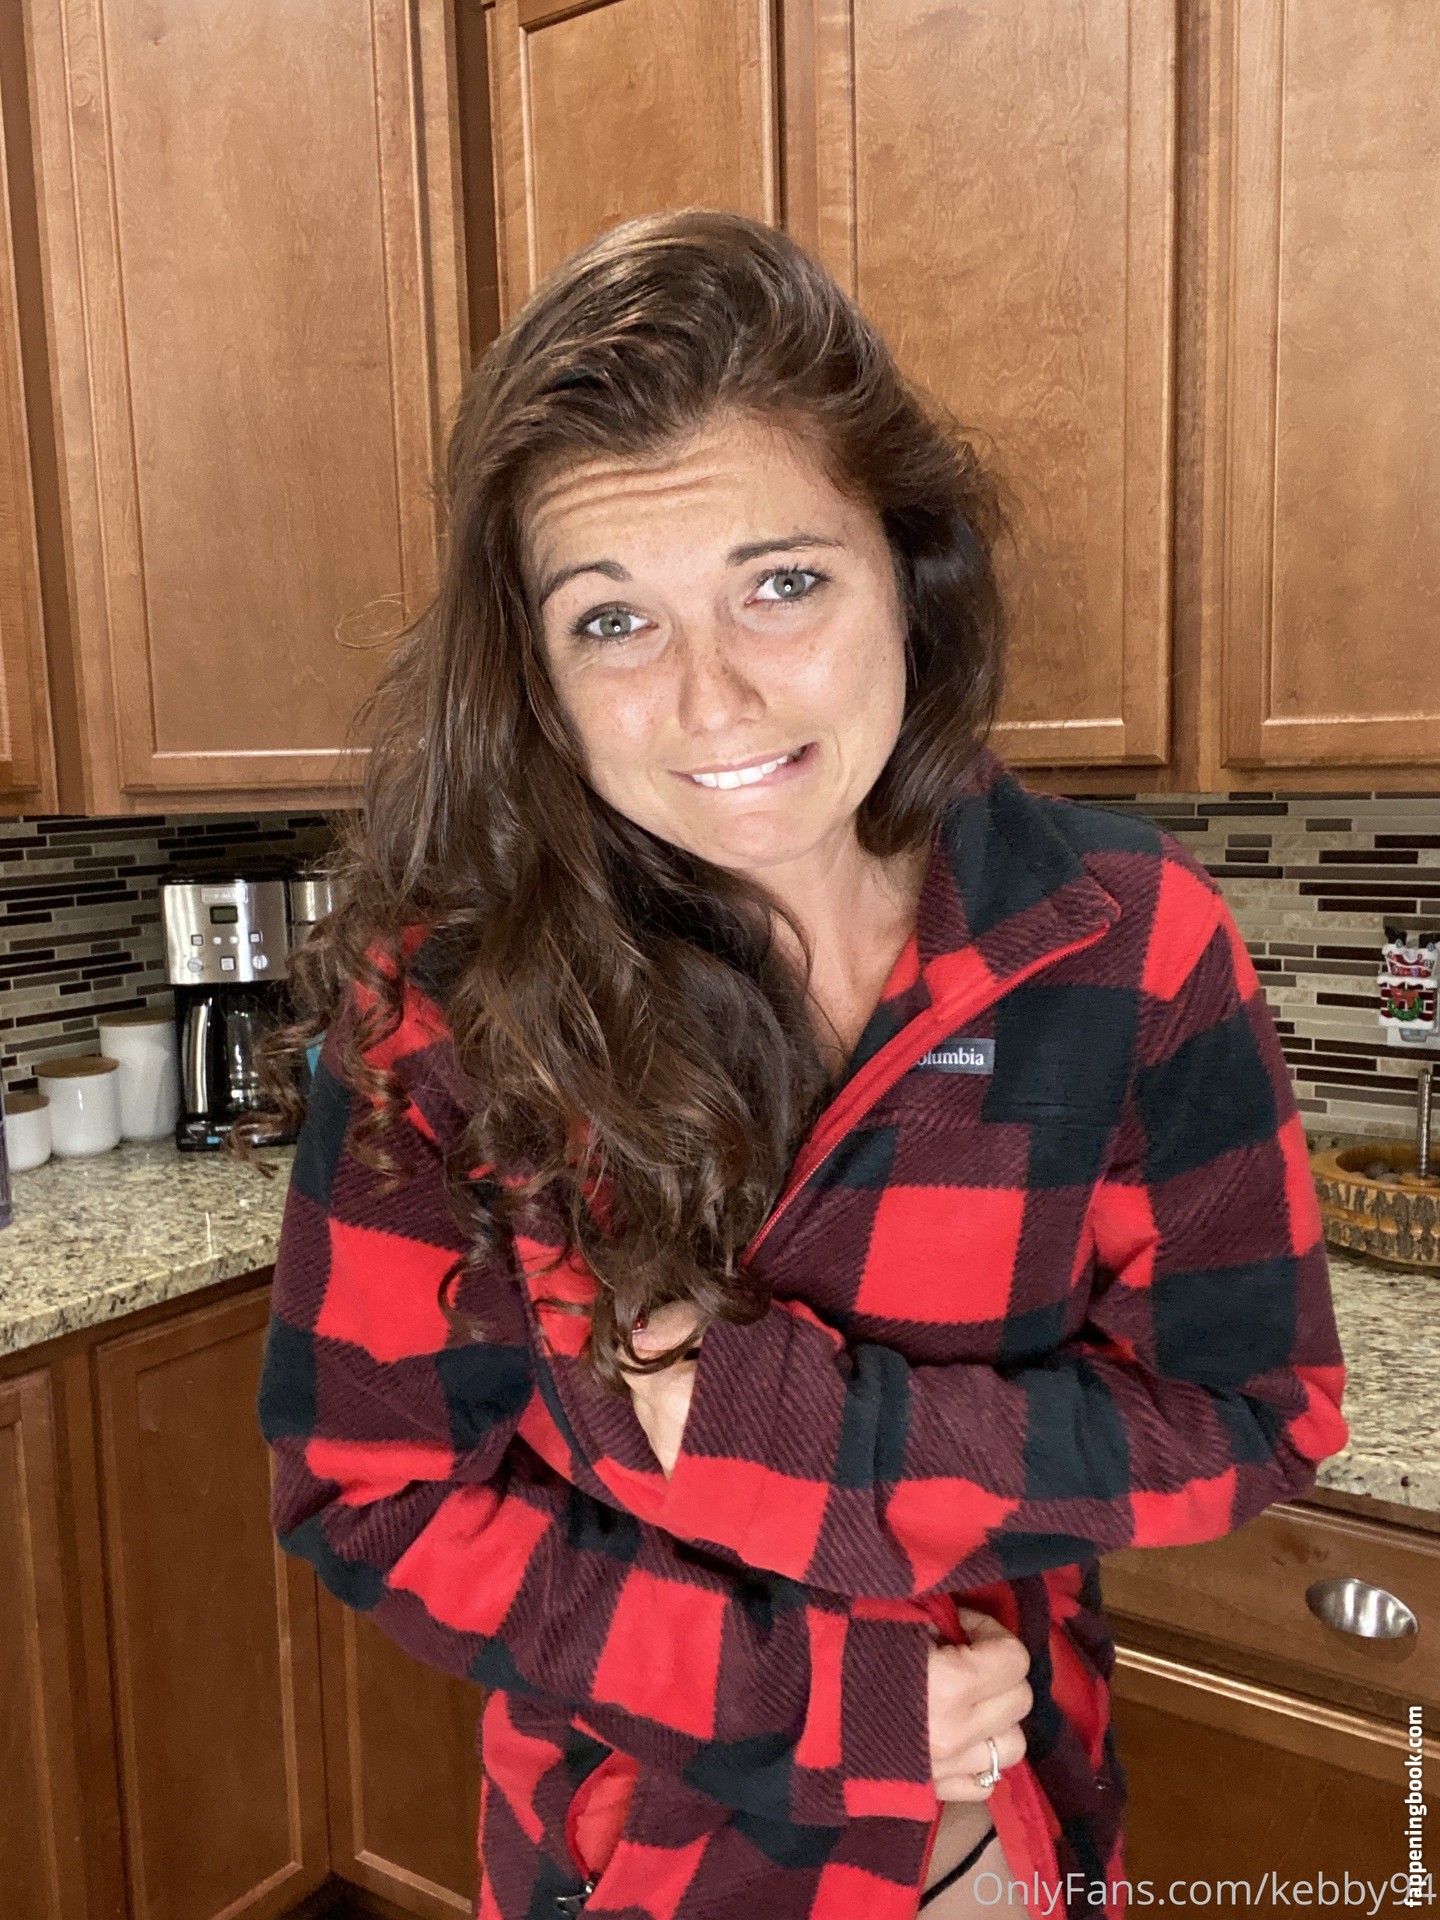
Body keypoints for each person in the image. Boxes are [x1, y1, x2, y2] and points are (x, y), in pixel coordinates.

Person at [256, 209, 1350, 1920]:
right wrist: (829, 1702)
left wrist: (806, 1436)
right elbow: (370, 1493)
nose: (715, 701)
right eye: (613, 622)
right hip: (635, 1865)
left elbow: (1257, 1419)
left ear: (910, 574)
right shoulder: (441, 1011)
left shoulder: (1129, 951)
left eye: (782, 583)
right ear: (537, 675)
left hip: (1001, 1836)